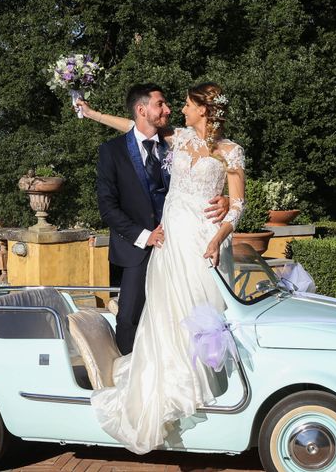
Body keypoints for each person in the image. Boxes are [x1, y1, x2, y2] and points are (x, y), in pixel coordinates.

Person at [78, 82, 245, 455]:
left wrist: (218, 236)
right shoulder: (179, 138)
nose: (177, 109)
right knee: (167, 316)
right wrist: (92, 114)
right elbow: (132, 126)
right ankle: (173, 392)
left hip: (203, 239)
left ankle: (213, 391)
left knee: (205, 313)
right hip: (172, 242)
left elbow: (237, 205)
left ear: (203, 109)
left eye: (185, 104)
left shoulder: (231, 152)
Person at [90, 84, 230, 355]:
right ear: (142, 110)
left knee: (183, 312)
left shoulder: (178, 142)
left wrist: (222, 197)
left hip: (182, 242)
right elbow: (107, 208)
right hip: (137, 247)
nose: (169, 110)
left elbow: (208, 171)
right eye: (161, 104)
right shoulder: (112, 151)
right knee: (129, 316)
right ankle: (129, 373)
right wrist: (145, 236)